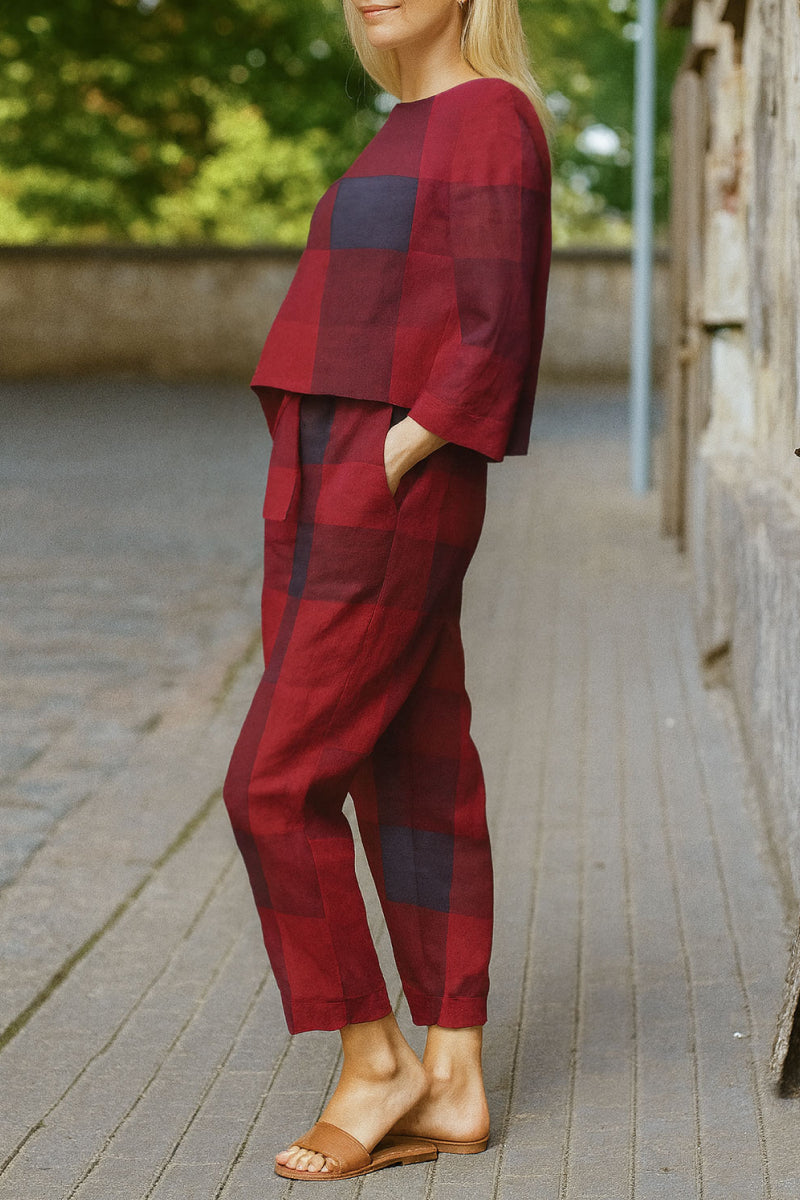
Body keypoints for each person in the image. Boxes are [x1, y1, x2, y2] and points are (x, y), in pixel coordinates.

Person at [221, 0, 552, 1181]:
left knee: (271, 783)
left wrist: (396, 452)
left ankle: (375, 1061)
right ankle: (452, 1078)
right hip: (325, 467)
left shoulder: (488, 119)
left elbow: (494, 327)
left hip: (382, 474)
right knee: (414, 762)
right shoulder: (396, 126)